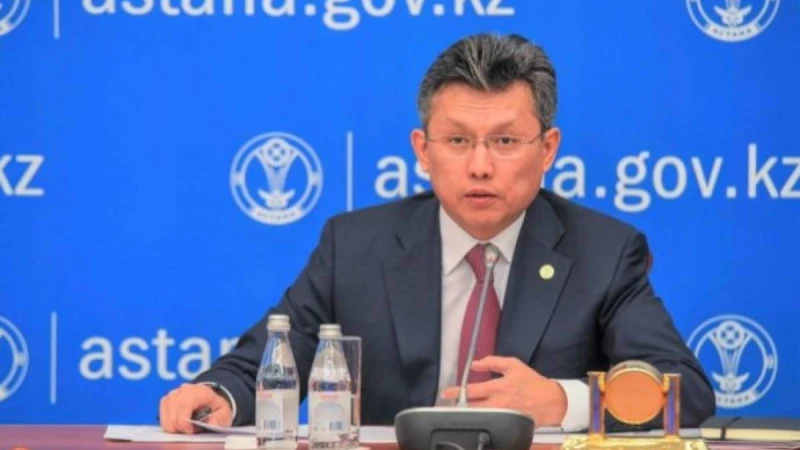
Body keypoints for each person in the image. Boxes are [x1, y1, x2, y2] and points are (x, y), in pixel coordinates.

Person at [159, 33, 715, 434]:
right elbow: (272, 357)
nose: (480, 166)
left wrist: (562, 401)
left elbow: (684, 390)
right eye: (457, 141)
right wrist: (219, 393)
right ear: (423, 151)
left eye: (505, 142)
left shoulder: (604, 252)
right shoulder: (355, 245)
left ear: (547, 150)